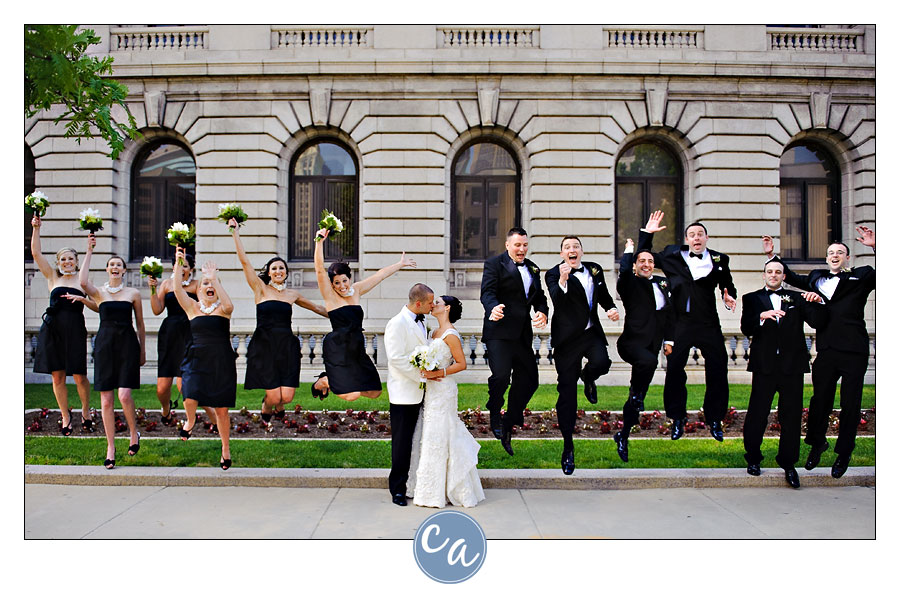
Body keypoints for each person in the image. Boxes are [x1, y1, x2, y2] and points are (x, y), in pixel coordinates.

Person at [763, 226, 875, 478]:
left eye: (840, 252)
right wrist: (772, 256)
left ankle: (843, 453)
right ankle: (816, 444)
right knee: (819, 401)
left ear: (848, 258)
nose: (835, 255)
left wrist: (875, 246)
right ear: (826, 258)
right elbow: (789, 277)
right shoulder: (816, 277)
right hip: (826, 350)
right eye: (831, 252)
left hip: (854, 350)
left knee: (850, 403)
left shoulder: (862, 276)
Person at [640, 211, 737, 442]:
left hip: (708, 323)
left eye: (700, 234)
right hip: (679, 323)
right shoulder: (673, 256)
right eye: (692, 235)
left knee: (717, 369)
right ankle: (677, 418)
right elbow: (644, 256)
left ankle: (714, 418)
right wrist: (647, 234)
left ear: (706, 238)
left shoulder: (719, 259)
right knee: (674, 370)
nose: (696, 238)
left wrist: (729, 296)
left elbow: (727, 285)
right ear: (687, 239)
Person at [740, 257, 827, 488]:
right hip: (764, 366)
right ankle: (753, 459)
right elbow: (746, 327)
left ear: (784, 276)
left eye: (778, 272)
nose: (774, 275)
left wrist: (819, 300)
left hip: (792, 367)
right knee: (757, 414)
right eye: (770, 271)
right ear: (764, 275)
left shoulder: (797, 299)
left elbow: (818, 321)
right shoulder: (751, 299)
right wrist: (761, 316)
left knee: (791, 417)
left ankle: (789, 464)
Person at [231, 217, 327, 422]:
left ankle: (278, 405)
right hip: (265, 346)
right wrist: (235, 233)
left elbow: (318, 308)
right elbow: (244, 261)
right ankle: (266, 406)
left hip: (286, 347)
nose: (278, 271)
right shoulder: (260, 289)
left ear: (286, 273)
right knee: (274, 396)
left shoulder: (292, 295)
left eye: (281, 268)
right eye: (274, 268)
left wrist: (341, 315)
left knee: (287, 397)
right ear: (268, 272)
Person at [544, 236, 619, 475]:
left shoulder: (594, 269)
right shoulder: (553, 274)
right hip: (567, 340)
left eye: (575, 246)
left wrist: (611, 308)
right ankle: (568, 447)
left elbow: (603, 294)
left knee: (602, 363)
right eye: (567, 247)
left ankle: (588, 377)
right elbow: (557, 299)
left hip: (590, 332)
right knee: (567, 394)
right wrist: (564, 279)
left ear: (581, 251)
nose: (572, 250)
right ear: (561, 254)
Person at [314, 227, 416, 401]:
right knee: (352, 395)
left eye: (344, 280)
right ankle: (322, 382)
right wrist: (319, 242)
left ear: (350, 278)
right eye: (336, 283)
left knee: (375, 391)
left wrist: (400, 264)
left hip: (357, 347)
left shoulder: (356, 291)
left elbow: (380, 275)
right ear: (331, 285)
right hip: (338, 348)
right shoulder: (330, 297)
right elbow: (319, 270)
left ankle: (331, 379)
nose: (342, 286)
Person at [408, 295, 485, 507]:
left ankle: (450, 488)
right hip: (431, 390)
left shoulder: (451, 335)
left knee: (441, 434)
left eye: (438, 303)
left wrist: (437, 372)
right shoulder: (433, 333)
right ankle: (430, 489)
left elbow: (461, 364)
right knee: (430, 435)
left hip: (443, 390)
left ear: (447, 308)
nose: (433, 305)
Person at [480, 227, 549, 456]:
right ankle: (494, 407)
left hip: (521, 335)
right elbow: (487, 293)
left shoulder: (532, 268)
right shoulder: (494, 264)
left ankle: (509, 420)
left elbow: (539, 297)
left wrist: (542, 311)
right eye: (517, 245)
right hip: (499, 331)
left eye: (525, 245)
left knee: (530, 380)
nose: (522, 249)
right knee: (501, 376)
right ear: (508, 245)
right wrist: (493, 308)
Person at [79, 233, 145, 469]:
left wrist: (143, 351)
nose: (115, 267)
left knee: (124, 395)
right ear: (107, 270)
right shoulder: (99, 293)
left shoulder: (133, 294)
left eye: (119, 265)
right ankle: (110, 447)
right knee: (106, 401)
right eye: (111, 265)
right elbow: (83, 282)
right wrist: (89, 250)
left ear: (124, 271)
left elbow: (140, 324)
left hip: (127, 345)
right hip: (105, 346)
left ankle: (134, 433)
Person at [30, 215, 98, 434]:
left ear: (76, 262)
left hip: (75, 330)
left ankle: (86, 411)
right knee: (57, 375)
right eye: (63, 260)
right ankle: (66, 416)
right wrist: (36, 228)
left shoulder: (83, 280)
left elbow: (98, 305)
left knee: (79, 375)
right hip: (53, 330)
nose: (67, 262)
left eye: (71, 259)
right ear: (58, 263)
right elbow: (36, 254)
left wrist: (83, 299)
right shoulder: (52, 277)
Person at [172, 246, 237, 470]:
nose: (209, 287)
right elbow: (177, 290)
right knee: (189, 396)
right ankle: (191, 421)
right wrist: (178, 263)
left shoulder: (223, 310)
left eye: (212, 286)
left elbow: (229, 304)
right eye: (205, 284)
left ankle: (225, 449)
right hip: (196, 358)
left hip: (221, 361)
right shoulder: (192, 308)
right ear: (197, 290)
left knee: (221, 410)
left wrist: (214, 278)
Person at [613, 235, 675, 463]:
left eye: (650, 260)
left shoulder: (662, 283)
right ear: (636, 266)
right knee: (648, 364)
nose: (647, 264)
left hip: (651, 347)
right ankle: (636, 396)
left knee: (636, 398)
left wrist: (670, 340)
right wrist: (629, 251)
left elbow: (670, 315)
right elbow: (625, 274)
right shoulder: (630, 283)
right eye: (642, 261)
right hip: (631, 344)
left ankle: (623, 435)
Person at [147, 252, 216, 427]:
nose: (182, 269)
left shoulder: (196, 285)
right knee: (162, 388)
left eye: (185, 265)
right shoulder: (166, 284)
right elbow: (157, 310)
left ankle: (211, 420)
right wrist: (153, 289)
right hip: (169, 335)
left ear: (191, 269)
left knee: (183, 384)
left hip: (189, 334)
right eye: (179, 265)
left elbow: (204, 307)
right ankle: (165, 410)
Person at [384, 283, 435, 506]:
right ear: (418, 303)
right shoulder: (397, 323)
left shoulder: (423, 321)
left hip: (423, 392)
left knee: (417, 442)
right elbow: (396, 359)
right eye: (430, 303)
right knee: (402, 444)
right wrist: (423, 377)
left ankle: (414, 484)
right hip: (403, 394)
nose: (433, 306)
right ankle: (397, 489)